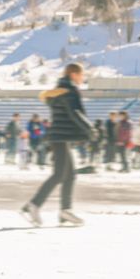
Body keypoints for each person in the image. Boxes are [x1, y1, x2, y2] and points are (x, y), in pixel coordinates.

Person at [21, 64, 95, 227]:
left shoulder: (58, 91)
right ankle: (34, 205)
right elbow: (75, 113)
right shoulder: (70, 91)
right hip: (60, 137)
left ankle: (65, 211)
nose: (82, 78)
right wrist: (90, 129)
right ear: (74, 74)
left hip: (60, 137)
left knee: (70, 175)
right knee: (59, 175)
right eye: (81, 74)